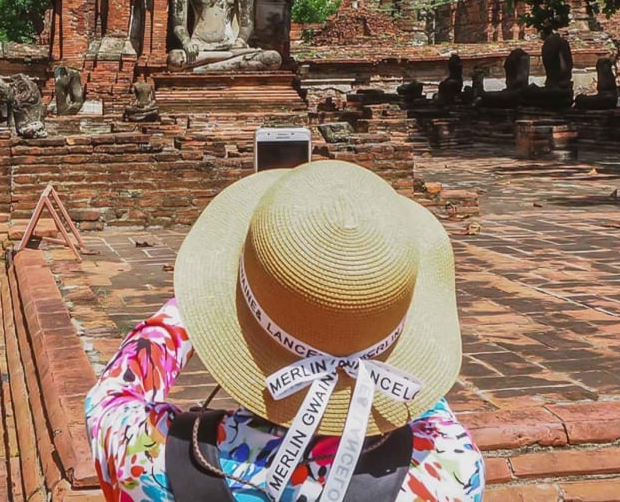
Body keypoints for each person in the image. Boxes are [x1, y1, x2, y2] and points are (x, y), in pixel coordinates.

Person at [86, 159, 483, 502]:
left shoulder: (144, 455)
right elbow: (424, 394)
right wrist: (373, 317)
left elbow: (110, 395)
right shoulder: (450, 466)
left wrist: (197, 303)